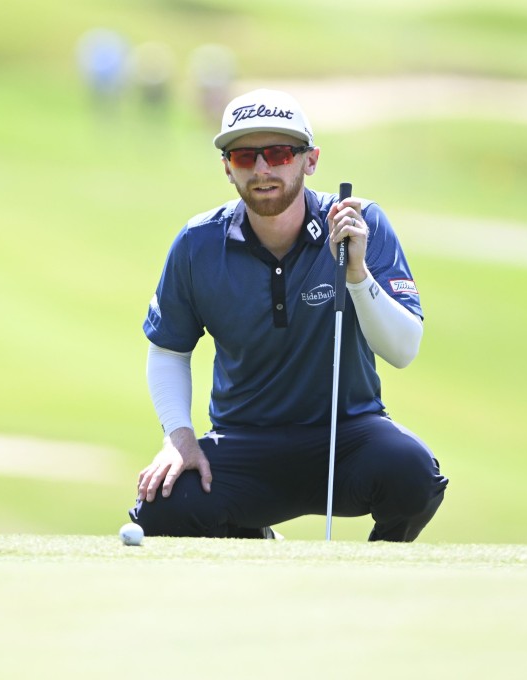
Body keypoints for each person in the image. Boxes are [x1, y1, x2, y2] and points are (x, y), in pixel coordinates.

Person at [129, 88, 448, 541]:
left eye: (279, 153)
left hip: (348, 435)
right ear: (227, 168)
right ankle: (256, 543)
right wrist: (179, 437)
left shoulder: (361, 224)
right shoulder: (198, 243)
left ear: (310, 160)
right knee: (162, 506)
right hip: (244, 440)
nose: (262, 169)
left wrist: (356, 272)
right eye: (244, 157)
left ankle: (374, 578)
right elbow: (168, 350)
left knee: (412, 474)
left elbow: (402, 350)